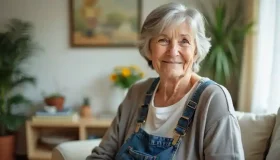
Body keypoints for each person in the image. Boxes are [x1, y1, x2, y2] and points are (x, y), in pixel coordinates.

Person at [87, 2, 244, 160]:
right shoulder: (136, 93)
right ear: (149, 48)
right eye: (163, 40)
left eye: (184, 41)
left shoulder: (213, 99)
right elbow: (102, 155)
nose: (173, 51)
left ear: (196, 51)